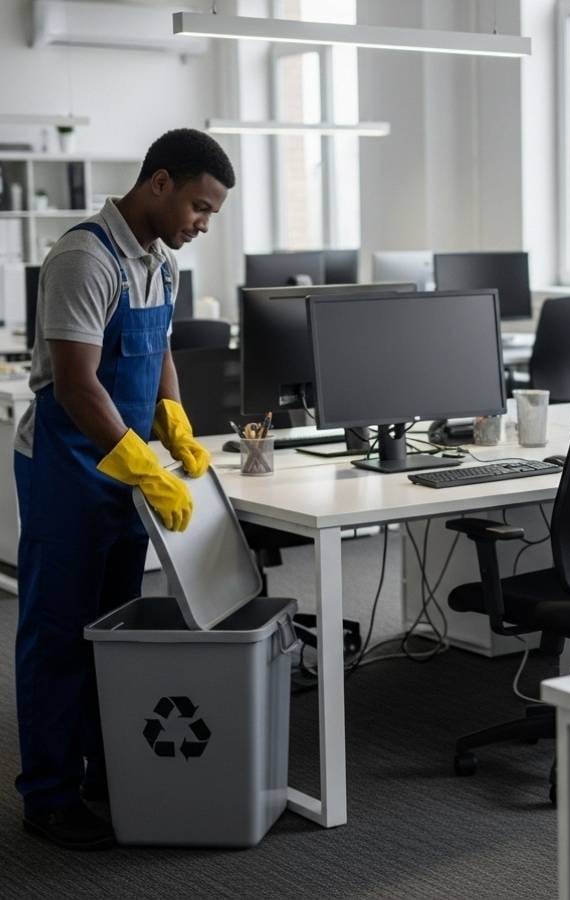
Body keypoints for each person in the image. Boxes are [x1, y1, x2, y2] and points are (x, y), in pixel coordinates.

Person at [13, 129, 235, 850]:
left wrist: (175, 423)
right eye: (199, 207)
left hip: (125, 465)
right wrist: (141, 466)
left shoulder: (161, 262)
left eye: (212, 214)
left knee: (112, 628)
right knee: (58, 630)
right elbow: (76, 385)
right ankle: (48, 795)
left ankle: (104, 769)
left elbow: (158, 347)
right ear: (159, 183)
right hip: (69, 466)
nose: (202, 224)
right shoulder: (85, 257)